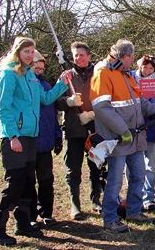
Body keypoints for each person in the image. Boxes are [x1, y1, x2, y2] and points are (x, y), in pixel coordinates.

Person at [0, 37, 70, 246]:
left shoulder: (30, 75)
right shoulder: (8, 75)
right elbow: (3, 109)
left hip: (32, 137)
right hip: (15, 137)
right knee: (15, 183)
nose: (30, 55)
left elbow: (46, 99)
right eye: (27, 52)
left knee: (27, 183)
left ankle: (23, 224)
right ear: (17, 51)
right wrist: (12, 136)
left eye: (32, 52)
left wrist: (62, 83)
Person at [90, 39, 155, 233]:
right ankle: (110, 218)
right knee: (115, 180)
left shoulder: (128, 76)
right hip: (119, 138)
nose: (133, 60)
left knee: (138, 175)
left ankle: (133, 211)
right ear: (124, 56)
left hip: (135, 137)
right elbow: (102, 108)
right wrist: (122, 130)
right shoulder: (103, 74)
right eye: (132, 56)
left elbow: (141, 104)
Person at [55, 41, 103, 220]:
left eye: (82, 54)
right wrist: (69, 102)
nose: (78, 58)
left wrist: (92, 114)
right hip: (73, 130)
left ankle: (96, 200)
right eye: (75, 55)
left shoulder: (99, 75)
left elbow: (107, 100)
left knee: (96, 167)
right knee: (73, 170)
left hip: (95, 129)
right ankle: (75, 204)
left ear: (89, 56)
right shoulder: (65, 77)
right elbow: (56, 101)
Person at [129, 55, 155, 211]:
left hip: (152, 128)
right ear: (140, 66)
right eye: (145, 67)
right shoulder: (130, 78)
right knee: (132, 165)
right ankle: (133, 197)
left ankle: (149, 198)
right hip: (133, 127)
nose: (147, 71)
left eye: (151, 68)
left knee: (150, 165)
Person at [29, 50, 63, 228]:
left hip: (45, 144)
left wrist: (58, 136)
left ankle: (46, 213)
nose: (40, 70)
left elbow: (53, 115)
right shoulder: (27, 86)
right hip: (29, 142)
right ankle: (30, 215)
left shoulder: (48, 87)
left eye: (42, 67)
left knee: (46, 180)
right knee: (29, 181)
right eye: (36, 67)